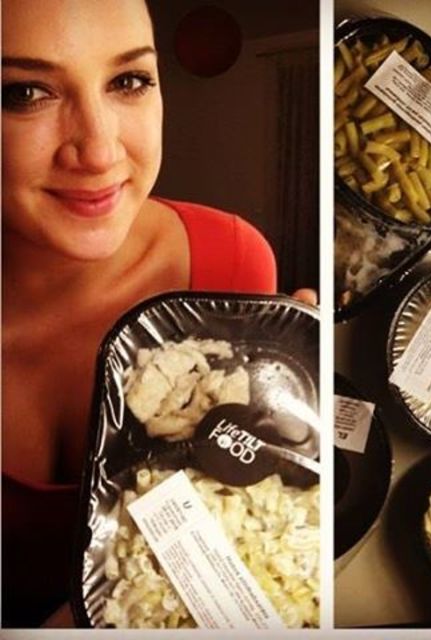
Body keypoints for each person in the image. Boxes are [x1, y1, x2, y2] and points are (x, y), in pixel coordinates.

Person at [1, 0, 316, 627]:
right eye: (25, 93)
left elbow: (242, 519)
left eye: (128, 80)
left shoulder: (232, 263)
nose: (99, 151)